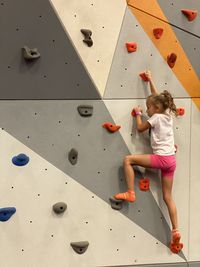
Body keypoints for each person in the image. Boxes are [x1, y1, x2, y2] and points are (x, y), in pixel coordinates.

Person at [114, 71, 182, 249]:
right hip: (171, 161)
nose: (147, 110)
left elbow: (140, 128)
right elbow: (157, 98)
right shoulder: (167, 116)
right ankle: (176, 231)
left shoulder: (156, 117)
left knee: (128, 160)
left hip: (161, 159)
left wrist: (137, 113)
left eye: (148, 107)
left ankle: (130, 192)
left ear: (156, 108)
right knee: (168, 197)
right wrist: (150, 80)